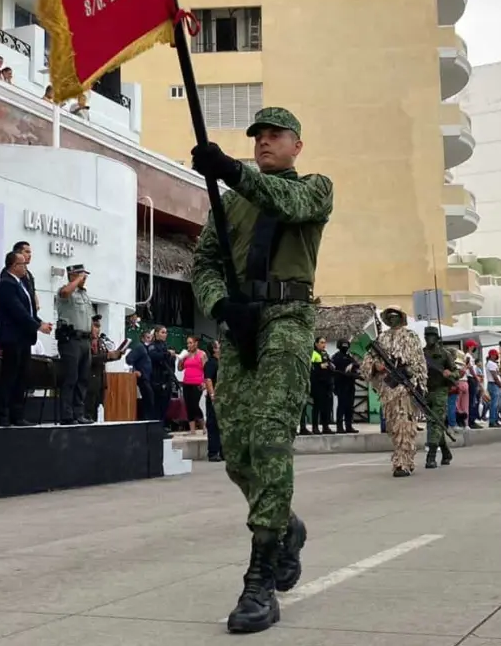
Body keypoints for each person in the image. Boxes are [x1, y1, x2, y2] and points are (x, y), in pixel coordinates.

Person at [190, 106, 332, 634]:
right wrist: (222, 306)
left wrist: (230, 170)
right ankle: (285, 525)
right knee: (238, 452)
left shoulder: (315, 187)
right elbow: (203, 262)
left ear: (297, 145)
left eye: (276, 135)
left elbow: (286, 201)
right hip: (241, 324)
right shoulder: (228, 205)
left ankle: (260, 577)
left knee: (271, 435)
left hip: (289, 320)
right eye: (258, 137)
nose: (265, 142)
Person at [361, 308, 426, 477]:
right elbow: (367, 361)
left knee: (405, 425)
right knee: (394, 427)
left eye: (395, 316)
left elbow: (419, 363)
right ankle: (402, 459)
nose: (392, 319)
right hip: (388, 390)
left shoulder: (410, 337)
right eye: (389, 317)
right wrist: (376, 366)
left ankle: (403, 462)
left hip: (405, 389)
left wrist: (414, 380)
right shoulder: (381, 339)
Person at [0, 250, 51, 426]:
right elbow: (17, 310)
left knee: (22, 377)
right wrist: (36, 326)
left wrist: (39, 322)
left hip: (24, 337)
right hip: (12, 337)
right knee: (9, 376)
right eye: (22, 264)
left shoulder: (22, 283)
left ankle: (17, 415)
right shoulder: (6, 284)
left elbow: (30, 310)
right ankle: (2, 415)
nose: (26, 267)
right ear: (13, 265)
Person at [54, 263, 94, 425]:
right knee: (71, 377)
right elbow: (64, 293)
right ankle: (67, 414)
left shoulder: (84, 295)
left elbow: (89, 316)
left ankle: (79, 413)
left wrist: (92, 337)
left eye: (84, 276)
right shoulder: (66, 290)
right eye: (80, 275)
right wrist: (77, 280)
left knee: (83, 379)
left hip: (84, 340)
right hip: (70, 339)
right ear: (72, 275)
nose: (84, 279)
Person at [422, 326, 456, 469]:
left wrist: (450, 374)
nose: (430, 338)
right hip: (425, 391)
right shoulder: (420, 354)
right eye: (427, 335)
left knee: (436, 422)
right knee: (433, 422)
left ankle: (431, 456)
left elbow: (457, 372)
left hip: (441, 390)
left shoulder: (444, 354)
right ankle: (446, 452)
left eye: (432, 335)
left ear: (437, 338)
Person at [177, 334, 207, 432]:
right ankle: (192, 430)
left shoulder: (202, 354)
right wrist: (180, 360)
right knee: (188, 405)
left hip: (197, 383)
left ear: (196, 343)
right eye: (187, 343)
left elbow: (206, 370)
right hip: (187, 382)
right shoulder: (186, 355)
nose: (188, 345)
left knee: (195, 404)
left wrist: (204, 382)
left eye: (190, 343)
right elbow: (180, 369)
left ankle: (204, 426)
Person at [331, 339, 358, 433]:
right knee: (341, 406)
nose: (345, 347)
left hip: (350, 384)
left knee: (350, 406)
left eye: (346, 345)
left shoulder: (349, 356)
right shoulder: (335, 357)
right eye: (343, 345)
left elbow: (356, 365)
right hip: (341, 384)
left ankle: (348, 426)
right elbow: (332, 370)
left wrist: (353, 366)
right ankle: (339, 426)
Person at [307, 336, 334, 434]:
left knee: (326, 407)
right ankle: (315, 427)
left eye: (324, 343)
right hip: (317, 384)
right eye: (322, 342)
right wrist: (320, 366)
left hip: (326, 383)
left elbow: (329, 364)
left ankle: (325, 426)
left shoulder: (325, 353)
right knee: (317, 406)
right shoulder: (313, 354)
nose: (324, 345)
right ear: (316, 344)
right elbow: (311, 367)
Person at [204, 340, 223, 461]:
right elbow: (208, 379)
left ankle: (222, 451)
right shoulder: (211, 363)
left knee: (221, 425)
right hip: (215, 397)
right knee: (213, 425)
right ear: (214, 349)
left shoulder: (220, 362)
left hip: (222, 397)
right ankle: (213, 452)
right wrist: (212, 394)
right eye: (218, 346)